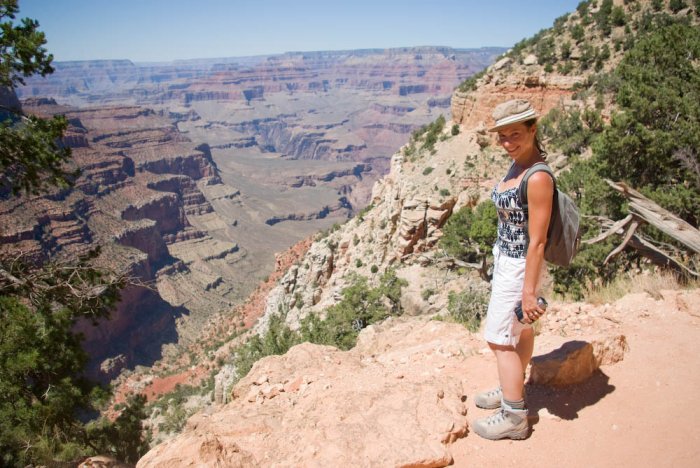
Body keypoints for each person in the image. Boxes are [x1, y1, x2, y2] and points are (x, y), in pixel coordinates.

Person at [471, 99, 554, 440]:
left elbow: (537, 241)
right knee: (520, 331)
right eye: (503, 136)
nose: (508, 143)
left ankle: (514, 416)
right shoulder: (518, 163)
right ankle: (512, 386)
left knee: (499, 340)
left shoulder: (536, 177)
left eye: (516, 134)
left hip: (521, 266)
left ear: (533, 129)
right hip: (509, 260)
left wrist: (529, 291)